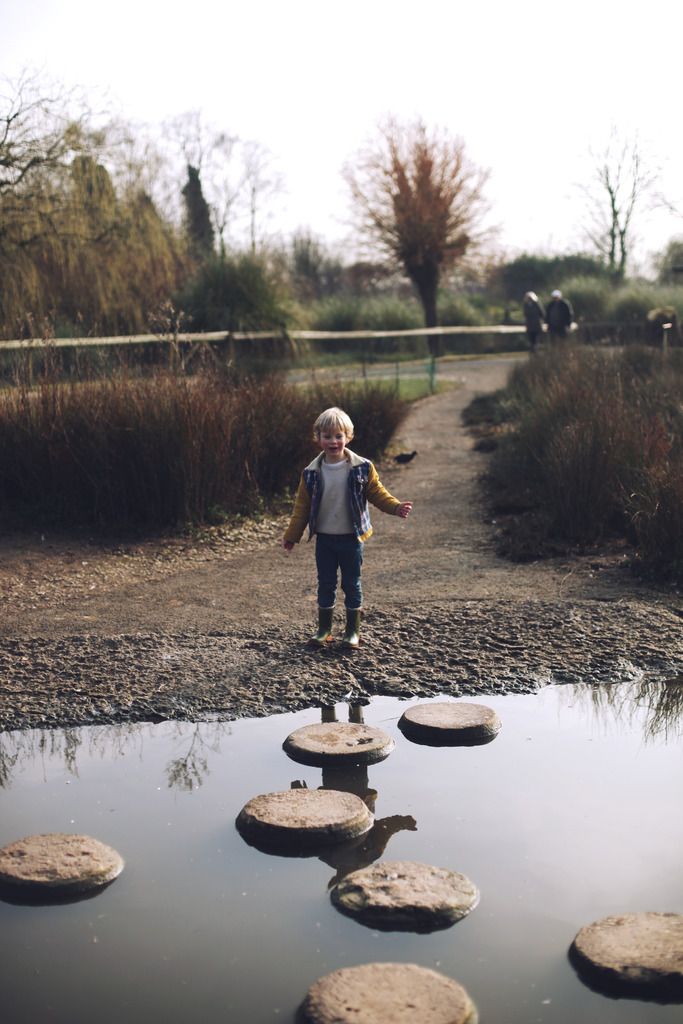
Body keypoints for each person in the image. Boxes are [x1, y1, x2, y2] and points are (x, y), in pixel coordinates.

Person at [282, 406, 412, 649]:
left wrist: (395, 507)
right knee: (326, 583)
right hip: (325, 541)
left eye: (339, 436)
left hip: (352, 539)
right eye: (328, 436)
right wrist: (292, 536)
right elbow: (301, 508)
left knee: (352, 582)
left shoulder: (362, 467)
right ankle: (324, 630)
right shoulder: (311, 473)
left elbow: (377, 493)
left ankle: (353, 631)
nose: (334, 441)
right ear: (318, 439)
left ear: (348, 437)